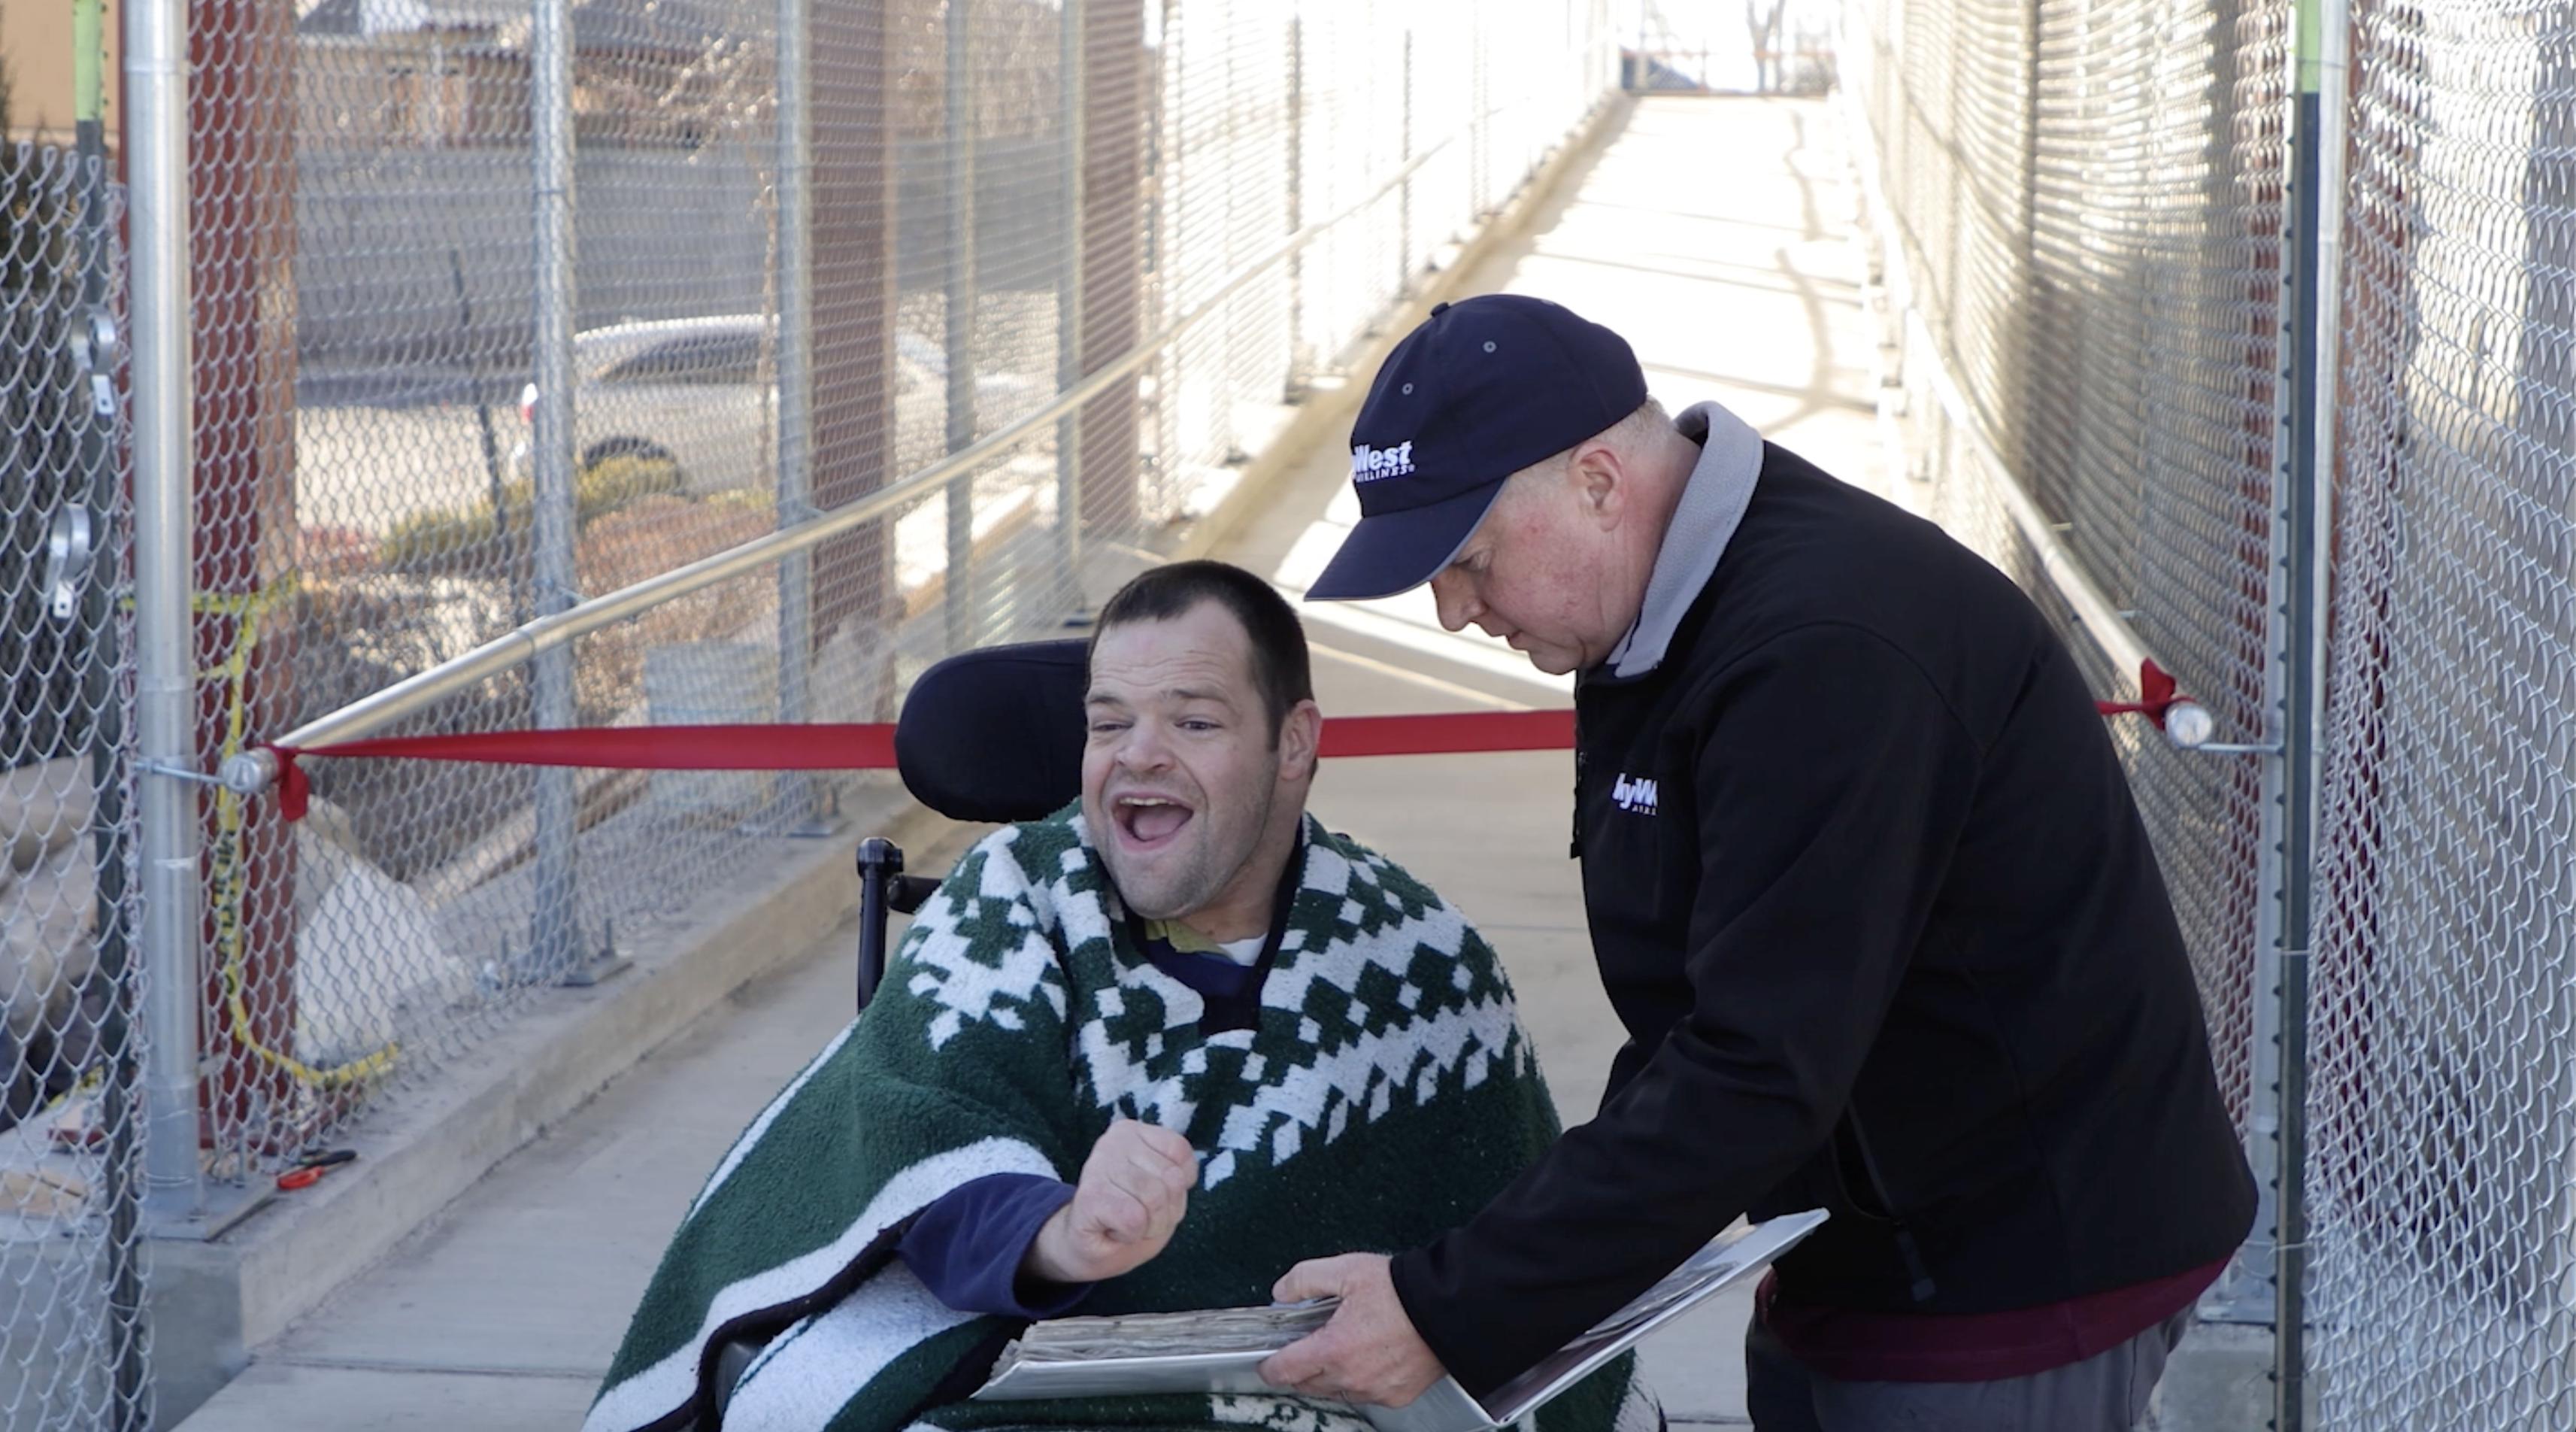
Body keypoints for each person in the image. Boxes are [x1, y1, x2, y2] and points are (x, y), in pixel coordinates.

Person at [1259, 294, 2256, 1432]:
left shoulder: (1820, 649)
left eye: (1467, 559)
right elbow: (1703, 1009)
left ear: (1595, 479)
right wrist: (1485, 1277)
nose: (1450, 612)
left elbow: (1754, 1066)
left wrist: (1450, 1307)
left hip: (2011, 1266)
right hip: (1864, 1234)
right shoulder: (1655, 602)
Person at [584, 560, 1660, 1432]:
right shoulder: (1010, 894)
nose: (1137, 757)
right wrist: (1065, 1235)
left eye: (1192, 723)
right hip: (1011, 1389)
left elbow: (1513, 1272)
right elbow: (920, 1131)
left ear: (1295, 746)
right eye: (1109, 725)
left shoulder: (1423, 963)